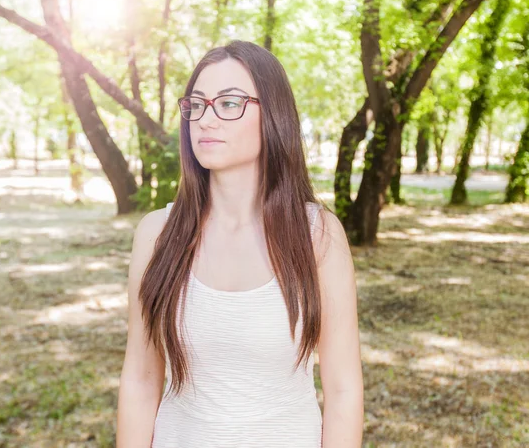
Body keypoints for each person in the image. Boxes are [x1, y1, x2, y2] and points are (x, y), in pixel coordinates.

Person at [116, 40, 363, 448]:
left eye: (229, 103)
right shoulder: (156, 234)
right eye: (196, 105)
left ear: (274, 117)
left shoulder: (318, 236)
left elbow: (343, 390)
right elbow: (141, 380)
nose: (205, 119)